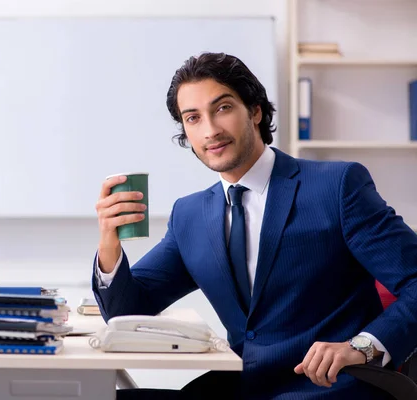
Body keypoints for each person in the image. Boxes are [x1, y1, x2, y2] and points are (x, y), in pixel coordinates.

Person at [91, 52, 417, 399]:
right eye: (193, 118)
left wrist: (361, 347)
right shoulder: (190, 215)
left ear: (255, 110)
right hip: (243, 387)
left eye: (223, 108)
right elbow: (127, 313)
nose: (211, 130)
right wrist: (109, 242)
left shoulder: (336, 186)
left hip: (330, 389)